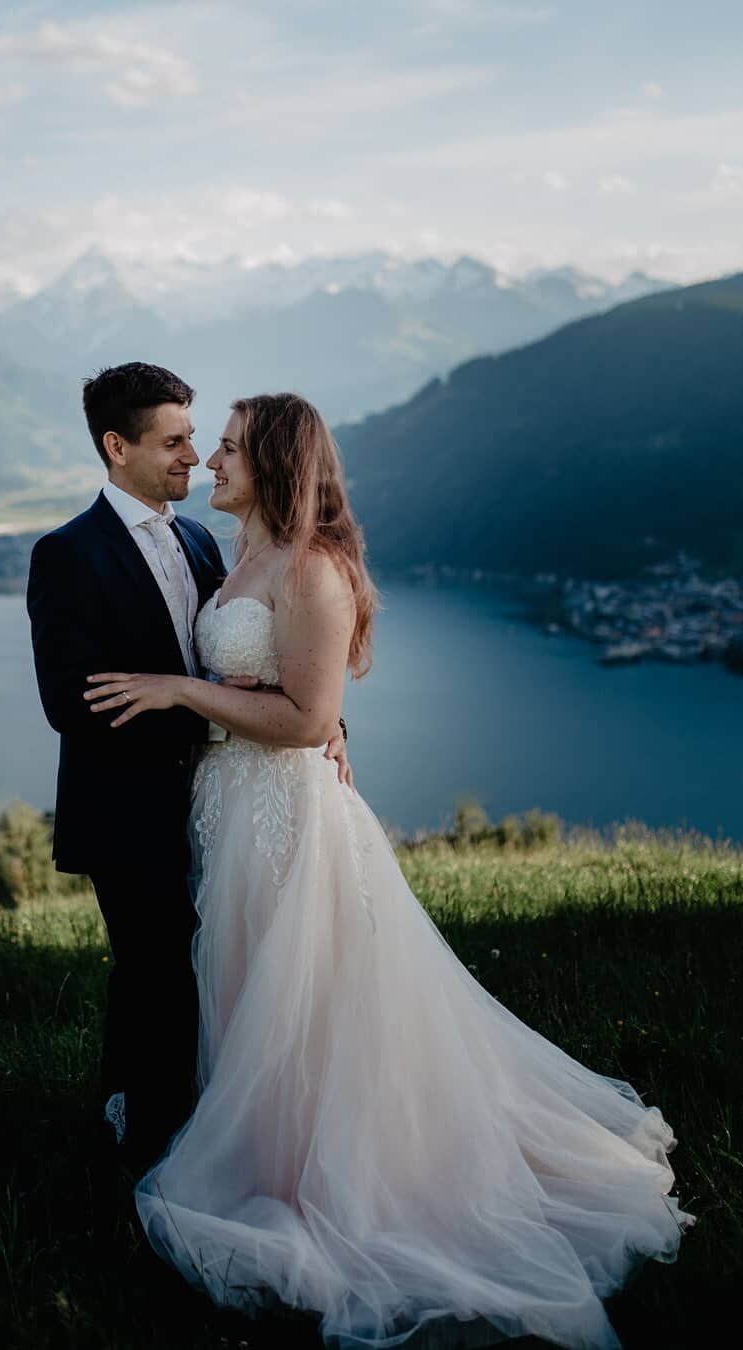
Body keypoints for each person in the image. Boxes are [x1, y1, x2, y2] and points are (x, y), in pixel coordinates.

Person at [83, 392, 694, 1350]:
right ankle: (265, 1146)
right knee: (251, 994)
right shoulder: (231, 552)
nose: (211, 462)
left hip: (289, 823)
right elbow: (279, 689)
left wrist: (182, 690)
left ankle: (330, 1177)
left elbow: (307, 719)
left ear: (277, 464)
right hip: (233, 812)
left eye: (231, 448)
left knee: (311, 999)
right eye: (211, 446)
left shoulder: (315, 571)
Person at [25, 364, 346, 1172]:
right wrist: (194, 705)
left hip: (225, 800)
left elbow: (276, 660)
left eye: (200, 439)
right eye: (174, 441)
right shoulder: (67, 555)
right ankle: (135, 1131)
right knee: (155, 974)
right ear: (116, 446)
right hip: (129, 810)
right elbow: (72, 702)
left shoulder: (204, 540)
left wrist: (323, 719)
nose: (194, 457)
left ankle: (214, 1134)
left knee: (218, 971)